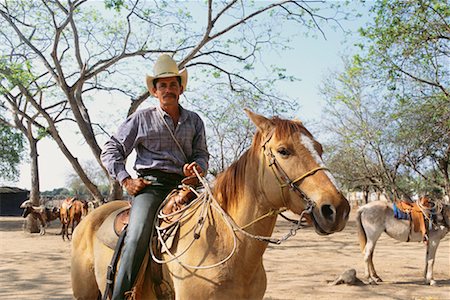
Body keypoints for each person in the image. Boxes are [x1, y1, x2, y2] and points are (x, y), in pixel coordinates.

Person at [100, 54, 209, 300]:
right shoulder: (141, 118)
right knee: (137, 235)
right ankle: (119, 296)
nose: (168, 89)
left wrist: (198, 168)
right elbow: (111, 150)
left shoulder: (195, 120)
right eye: (163, 85)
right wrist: (126, 180)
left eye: (173, 84)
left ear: (181, 89)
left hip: (186, 188)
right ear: (154, 91)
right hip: (152, 187)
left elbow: (202, 154)